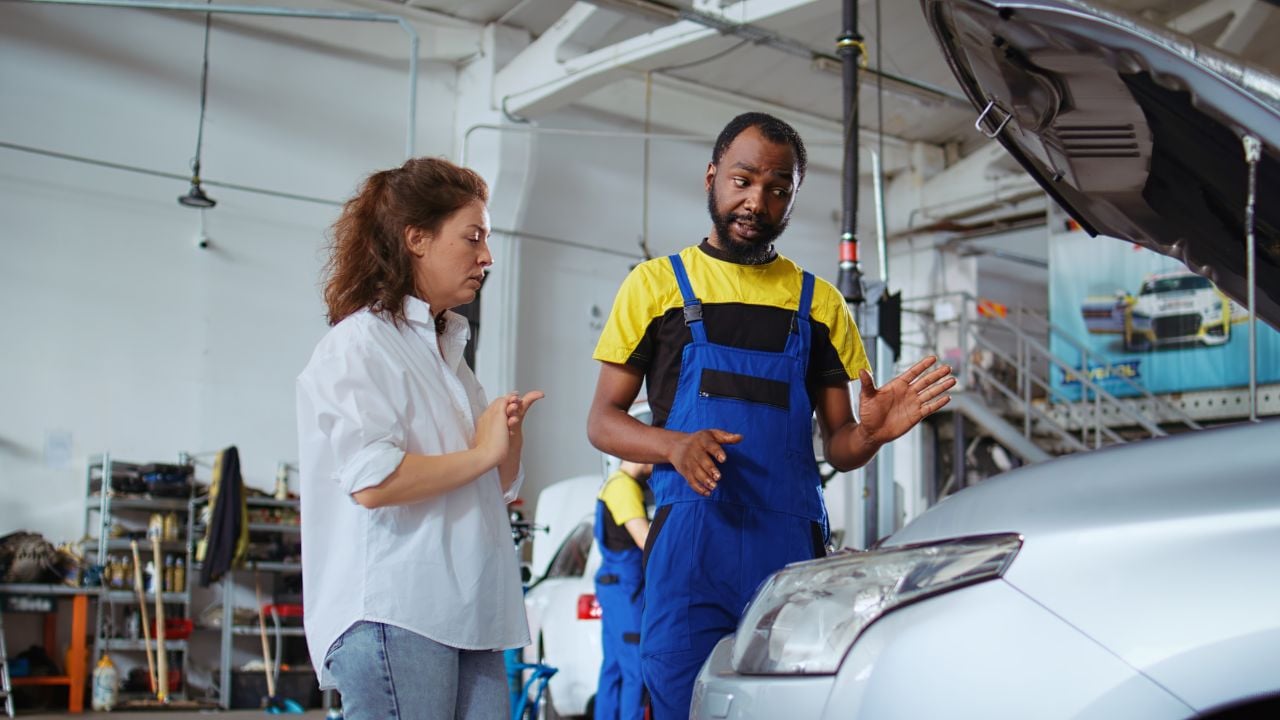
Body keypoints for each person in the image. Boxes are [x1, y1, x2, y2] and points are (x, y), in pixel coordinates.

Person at [586, 112, 955, 719]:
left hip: (788, 556)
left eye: (778, 189)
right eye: (743, 181)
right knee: (681, 700)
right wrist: (674, 446)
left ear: (793, 197)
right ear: (712, 176)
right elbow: (603, 420)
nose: (757, 202)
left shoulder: (820, 304)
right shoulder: (655, 287)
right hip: (690, 551)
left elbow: (839, 445)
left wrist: (871, 434)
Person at [296, 157, 543, 720]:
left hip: (471, 610)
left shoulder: (448, 355)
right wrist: (482, 452)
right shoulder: (360, 343)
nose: (487, 256)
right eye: (473, 237)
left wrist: (506, 443)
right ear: (417, 239)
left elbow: (493, 484)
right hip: (398, 608)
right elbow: (375, 481)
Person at [593, 459, 653, 720]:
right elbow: (645, 539)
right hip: (626, 591)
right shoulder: (624, 488)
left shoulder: (612, 484)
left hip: (615, 587)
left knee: (614, 670)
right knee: (636, 672)